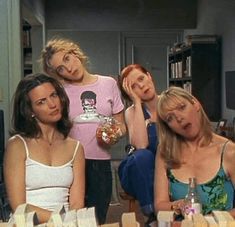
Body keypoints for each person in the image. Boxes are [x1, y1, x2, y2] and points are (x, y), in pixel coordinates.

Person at [40, 38, 126, 224]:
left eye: (67, 58)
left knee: (97, 219)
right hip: (68, 163)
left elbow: (121, 124)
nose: (69, 68)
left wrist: (113, 135)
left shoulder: (108, 83)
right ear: (57, 74)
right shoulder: (59, 91)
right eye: (61, 68)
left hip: (100, 163)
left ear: (76, 54)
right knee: (71, 219)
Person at [3, 73, 85, 224]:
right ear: (30, 111)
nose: (52, 104)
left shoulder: (76, 147)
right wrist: (60, 220)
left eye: (53, 95)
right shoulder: (17, 145)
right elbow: (19, 206)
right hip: (26, 223)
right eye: (41, 102)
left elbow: (77, 204)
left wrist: (67, 222)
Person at [154, 86, 235, 218]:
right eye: (170, 118)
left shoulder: (229, 151)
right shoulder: (165, 152)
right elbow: (159, 206)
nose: (179, 118)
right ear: (168, 127)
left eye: (182, 108)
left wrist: (210, 221)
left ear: (195, 104)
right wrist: (177, 206)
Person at [117, 64, 158, 226]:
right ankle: (151, 215)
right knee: (142, 156)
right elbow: (141, 145)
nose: (141, 86)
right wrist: (136, 102)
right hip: (138, 171)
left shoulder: (170, 103)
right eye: (134, 86)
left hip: (164, 171)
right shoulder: (131, 111)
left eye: (141, 78)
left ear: (149, 76)